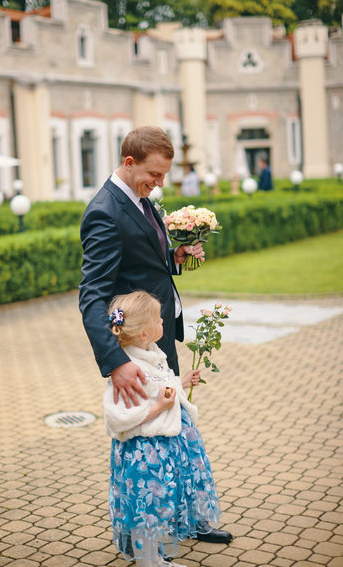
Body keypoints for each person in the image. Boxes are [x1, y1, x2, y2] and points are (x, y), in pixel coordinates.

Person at [79, 126, 232, 545]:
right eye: (154, 174)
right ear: (129, 163)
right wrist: (117, 362)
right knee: (143, 446)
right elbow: (92, 298)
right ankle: (143, 539)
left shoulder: (142, 200)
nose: (161, 183)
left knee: (177, 431)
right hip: (135, 352)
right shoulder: (104, 212)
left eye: (163, 175)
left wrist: (176, 256)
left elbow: (147, 263)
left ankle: (186, 521)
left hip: (158, 337)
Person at [104, 291, 224, 567]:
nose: (163, 322)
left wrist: (181, 382)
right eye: (159, 319)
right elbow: (117, 417)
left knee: (159, 507)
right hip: (144, 453)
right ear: (144, 333)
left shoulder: (153, 354)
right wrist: (158, 409)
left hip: (164, 448)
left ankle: (154, 558)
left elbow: (159, 385)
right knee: (145, 509)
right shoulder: (126, 369)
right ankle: (147, 561)